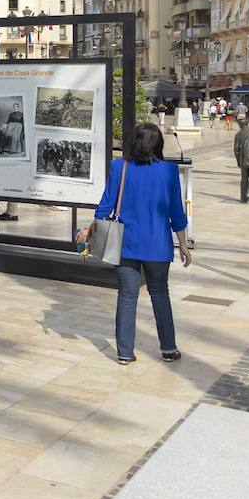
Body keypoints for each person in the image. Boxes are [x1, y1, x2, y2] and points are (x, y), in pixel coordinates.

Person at [77, 123, 189, 365]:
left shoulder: (120, 166)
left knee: (127, 296)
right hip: (158, 246)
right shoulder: (169, 171)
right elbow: (176, 213)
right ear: (158, 144)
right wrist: (183, 245)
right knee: (160, 294)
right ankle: (168, 349)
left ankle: (124, 353)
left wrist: (90, 230)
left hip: (126, 244)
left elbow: (105, 206)